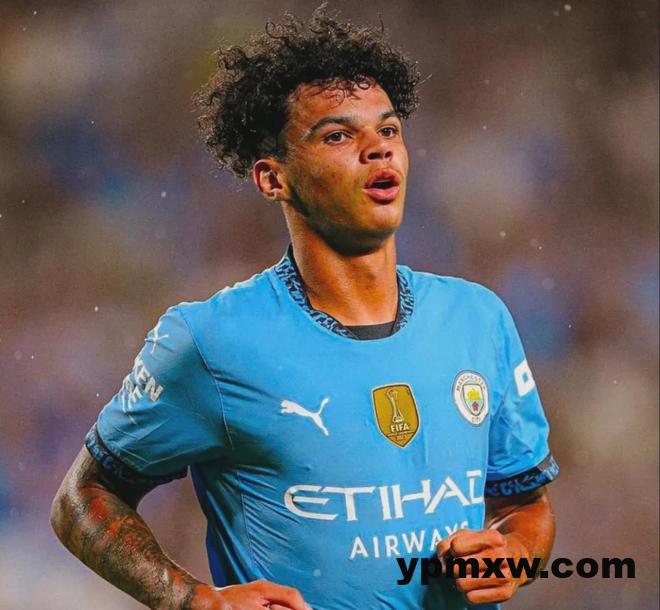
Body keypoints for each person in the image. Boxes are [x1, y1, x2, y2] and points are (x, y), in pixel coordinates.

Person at [51, 8, 558, 610]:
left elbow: (525, 505)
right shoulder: (212, 341)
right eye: (338, 136)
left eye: (389, 130)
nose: (378, 149)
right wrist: (190, 599)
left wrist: (512, 554)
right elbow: (82, 499)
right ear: (273, 178)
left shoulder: (478, 318)